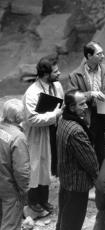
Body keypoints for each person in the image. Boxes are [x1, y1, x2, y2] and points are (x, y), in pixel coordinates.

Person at [55, 90, 99, 230]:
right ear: (71, 107)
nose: (86, 107)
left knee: (65, 215)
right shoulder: (76, 131)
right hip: (77, 183)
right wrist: (97, 179)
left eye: (85, 102)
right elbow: (89, 161)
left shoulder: (63, 120)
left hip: (66, 178)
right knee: (73, 218)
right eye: (81, 104)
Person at [23, 55, 64, 213]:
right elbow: (32, 118)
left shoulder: (57, 86)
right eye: (56, 71)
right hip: (38, 134)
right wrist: (55, 115)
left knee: (48, 165)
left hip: (53, 131)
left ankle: (44, 199)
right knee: (37, 166)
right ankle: (33, 201)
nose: (59, 73)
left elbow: (62, 103)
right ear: (46, 74)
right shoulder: (32, 93)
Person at [69, 41, 105, 166]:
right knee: (86, 149)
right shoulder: (75, 75)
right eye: (99, 54)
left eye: (103, 53)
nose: (103, 56)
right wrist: (90, 94)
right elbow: (71, 97)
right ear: (89, 56)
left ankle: (101, 178)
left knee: (102, 150)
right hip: (85, 116)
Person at [0, 99, 30, 230]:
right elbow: (22, 171)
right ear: (19, 117)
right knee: (10, 226)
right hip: (9, 188)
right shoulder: (18, 137)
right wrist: (24, 190)